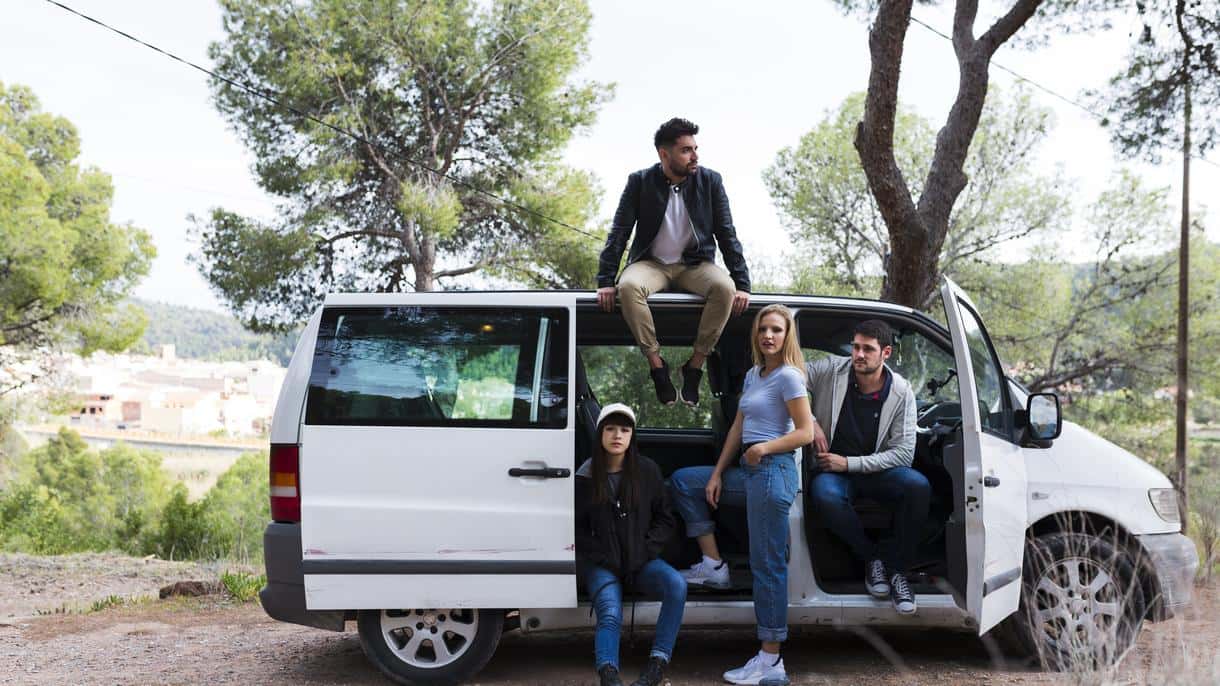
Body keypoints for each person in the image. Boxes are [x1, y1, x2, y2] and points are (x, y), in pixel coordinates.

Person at [668, 304, 815, 686]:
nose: (769, 336)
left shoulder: (789, 378)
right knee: (686, 482)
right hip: (748, 471)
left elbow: (805, 433)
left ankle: (771, 661)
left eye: (777, 330)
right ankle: (714, 565)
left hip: (773, 471)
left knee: (766, 565)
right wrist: (717, 474)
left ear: (787, 336)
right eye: (763, 329)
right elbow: (738, 426)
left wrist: (765, 449)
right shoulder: (755, 374)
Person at [596, 117, 751, 407]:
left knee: (725, 289)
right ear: (663, 154)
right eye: (686, 150)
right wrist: (605, 282)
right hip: (651, 264)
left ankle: (694, 367)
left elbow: (726, 232)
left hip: (694, 264)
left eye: (695, 148)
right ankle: (657, 366)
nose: (695, 156)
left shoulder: (710, 180)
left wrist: (742, 284)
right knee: (627, 287)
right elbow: (619, 233)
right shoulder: (640, 182)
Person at [806, 319, 928, 615]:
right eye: (856, 347)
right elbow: (788, 377)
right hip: (832, 472)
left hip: (875, 471)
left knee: (918, 486)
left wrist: (849, 463)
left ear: (885, 353)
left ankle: (898, 571)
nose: (858, 355)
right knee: (824, 495)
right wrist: (810, 421)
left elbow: (902, 454)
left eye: (868, 349)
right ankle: (872, 558)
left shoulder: (902, 392)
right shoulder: (831, 370)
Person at [575, 403, 687, 686]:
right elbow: (576, 530)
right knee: (610, 611)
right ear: (600, 433)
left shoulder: (647, 470)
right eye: (611, 428)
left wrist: (646, 550)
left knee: (676, 585)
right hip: (603, 564)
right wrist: (604, 558)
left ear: (631, 436)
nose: (617, 435)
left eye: (624, 430)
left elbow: (665, 519)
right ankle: (609, 674)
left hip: (642, 560)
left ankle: (658, 662)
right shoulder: (585, 476)